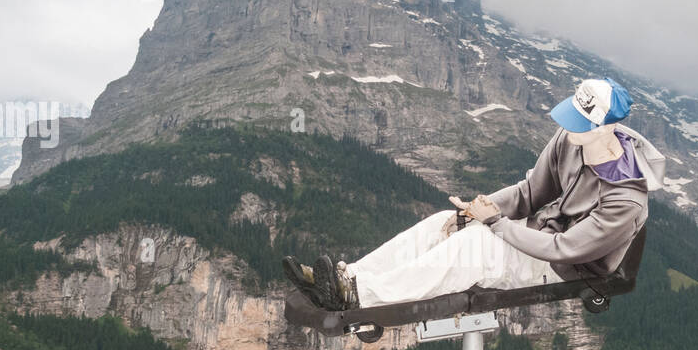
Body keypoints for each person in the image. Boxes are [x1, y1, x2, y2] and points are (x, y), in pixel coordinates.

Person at [285, 77, 667, 310]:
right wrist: (476, 210)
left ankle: (359, 297)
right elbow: (531, 191)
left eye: (580, 121)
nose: (567, 127)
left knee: (476, 248)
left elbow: (562, 249)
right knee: (444, 224)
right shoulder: (572, 139)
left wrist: (495, 223)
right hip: (537, 236)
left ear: (606, 129)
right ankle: (345, 279)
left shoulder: (626, 201)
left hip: (566, 268)